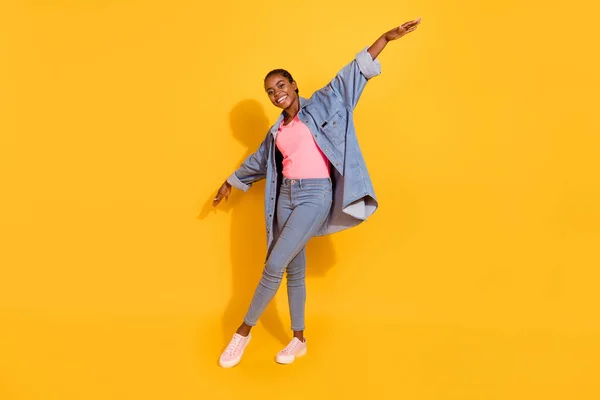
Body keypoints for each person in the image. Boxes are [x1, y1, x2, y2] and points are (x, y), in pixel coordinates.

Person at [212, 18, 422, 367]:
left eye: (280, 84)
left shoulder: (326, 102)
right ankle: (298, 339)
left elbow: (351, 74)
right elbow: (259, 161)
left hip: (315, 195)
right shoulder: (277, 130)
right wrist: (230, 182)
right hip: (286, 197)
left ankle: (242, 334)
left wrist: (385, 39)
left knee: (273, 265)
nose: (276, 92)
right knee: (293, 269)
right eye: (270, 91)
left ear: (294, 85)